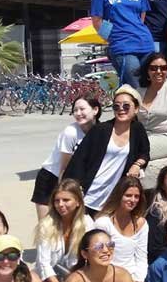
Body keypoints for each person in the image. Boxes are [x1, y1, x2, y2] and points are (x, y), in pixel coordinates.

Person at [62, 86, 150, 214]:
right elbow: (79, 161)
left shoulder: (137, 129)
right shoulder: (101, 130)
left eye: (126, 106)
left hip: (112, 200)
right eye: (116, 106)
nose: (121, 109)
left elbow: (145, 152)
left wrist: (137, 165)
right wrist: (73, 189)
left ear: (136, 109)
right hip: (88, 195)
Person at [90, 0, 154, 88]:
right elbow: (96, 21)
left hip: (146, 44)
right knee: (135, 87)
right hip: (122, 47)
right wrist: (111, 38)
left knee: (150, 87)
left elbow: (141, 18)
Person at [30, 97, 101, 219]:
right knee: (46, 225)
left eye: (82, 109)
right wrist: (62, 191)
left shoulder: (101, 131)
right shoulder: (71, 132)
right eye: (75, 110)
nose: (78, 113)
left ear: (95, 110)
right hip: (52, 178)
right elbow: (64, 168)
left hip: (73, 181)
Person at [33, 180, 95, 282]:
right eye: (57, 201)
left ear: (78, 202)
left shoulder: (87, 223)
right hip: (50, 279)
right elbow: (44, 263)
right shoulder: (46, 225)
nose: (60, 204)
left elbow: (91, 258)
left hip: (76, 278)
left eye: (66, 200)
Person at [92, 177, 149, 282]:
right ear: (119, 196)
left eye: (136, 196)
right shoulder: (103, 223)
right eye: (128, 195)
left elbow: (141, 257)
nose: (132, 200)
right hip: (108, 274)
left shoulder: (141, 224)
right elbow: (97, 255)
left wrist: (139, 280)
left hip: (132, 275)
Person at [137, 54, 167, 164]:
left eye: (163, 68)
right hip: (142, 137)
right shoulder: (139, 91)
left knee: (134, 151)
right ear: (147, 70)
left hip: (165, 137)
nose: (159, 71)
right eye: (153, 68)